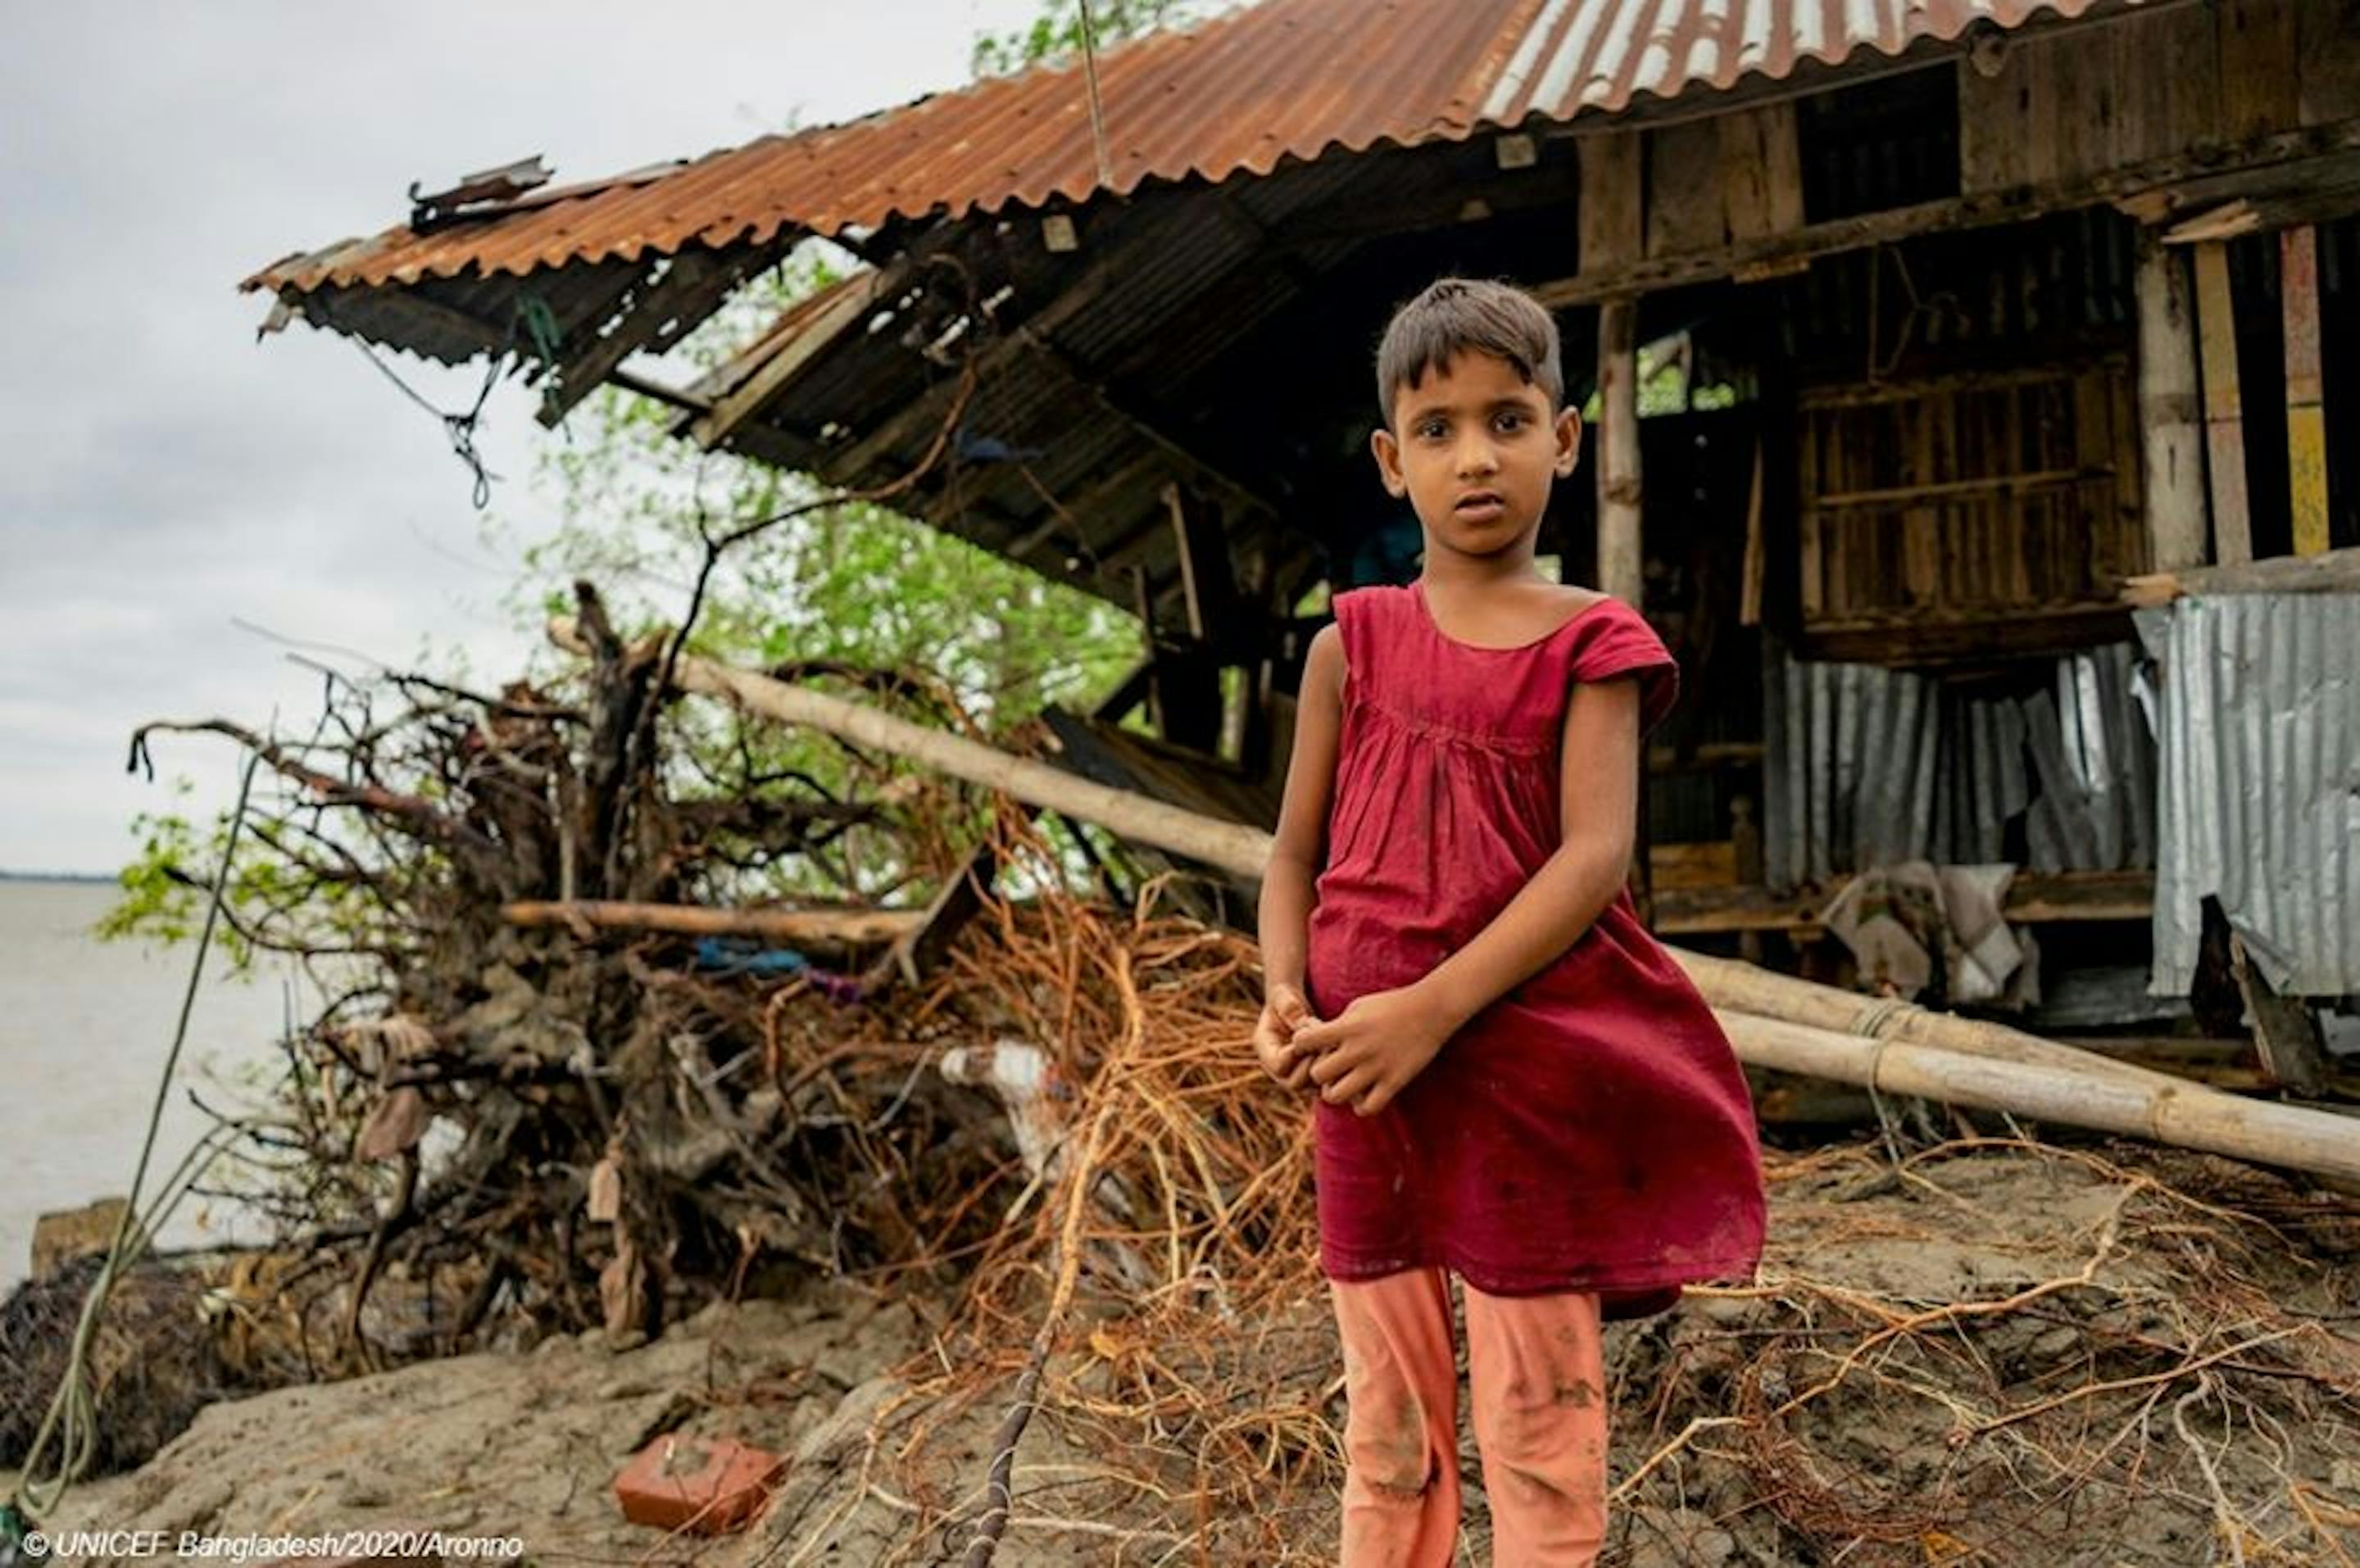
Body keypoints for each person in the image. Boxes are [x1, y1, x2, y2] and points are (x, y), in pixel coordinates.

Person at [1254, 278, 1767, 1566]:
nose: (1474, 455)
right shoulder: (1349, 647)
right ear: (1391, 460)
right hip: (1362, 1089)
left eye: (1508, 418)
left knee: (1539, 1417)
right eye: (1437, 429)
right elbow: (1293, 854)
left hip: (1516, 1082)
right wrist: (1283, 994)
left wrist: (1425, 1009)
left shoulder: (1594, 639)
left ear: (1567, 438)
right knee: (1388, 1424)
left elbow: (1594, 859)